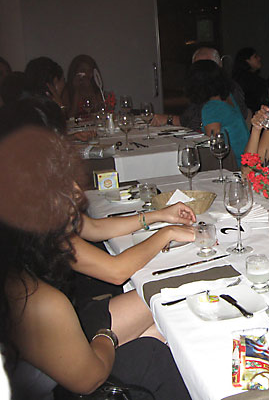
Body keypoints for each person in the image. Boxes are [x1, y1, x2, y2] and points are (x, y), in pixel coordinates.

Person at [0, 126, 192, 399]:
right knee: (156, 347)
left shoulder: (28, 239)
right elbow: (88, 380)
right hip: (68, 384)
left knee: (165, 299)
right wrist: (107, 336)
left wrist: (158, 216)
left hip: (68, 337)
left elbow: (94, 227)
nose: (78, 193)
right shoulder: (34, 298)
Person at [153, 46, 249, 126]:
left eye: (206, 67)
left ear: (219, 66)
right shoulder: (203, 89)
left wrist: (169, 119)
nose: (201, 72)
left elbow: (197, 121)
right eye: (197, 67)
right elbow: (190, 116)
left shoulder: (228, 89)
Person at [184, 60, 249, 165]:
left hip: (234, 163)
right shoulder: (228, 97)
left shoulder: (211, 107)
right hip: (247, 157)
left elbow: (215, 148)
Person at [62, 54, 105, 118]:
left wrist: (91, 91)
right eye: (83, 71)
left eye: (89, 71)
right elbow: (70, 116)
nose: (87, 74)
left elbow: (100, 112)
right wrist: (76, 91)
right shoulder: (67, 90)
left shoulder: (96, 89)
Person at [232, 47, 268, 113]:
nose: (259, 58)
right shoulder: (250, 80)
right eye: (255, 57)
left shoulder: (237, 77)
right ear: (247, 60)